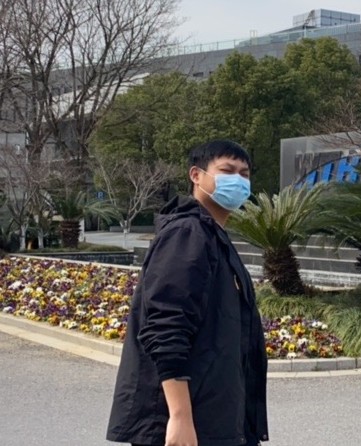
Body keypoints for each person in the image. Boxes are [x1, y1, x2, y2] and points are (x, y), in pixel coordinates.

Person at [107, 140, 269, 446]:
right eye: (227, 171)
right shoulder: (188, 233)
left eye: (244, 174)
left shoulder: (213, 236)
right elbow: (165, 327)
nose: (238, 180)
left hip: (215, 422)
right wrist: (180, 417)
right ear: (196, 175)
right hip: (185, 426)